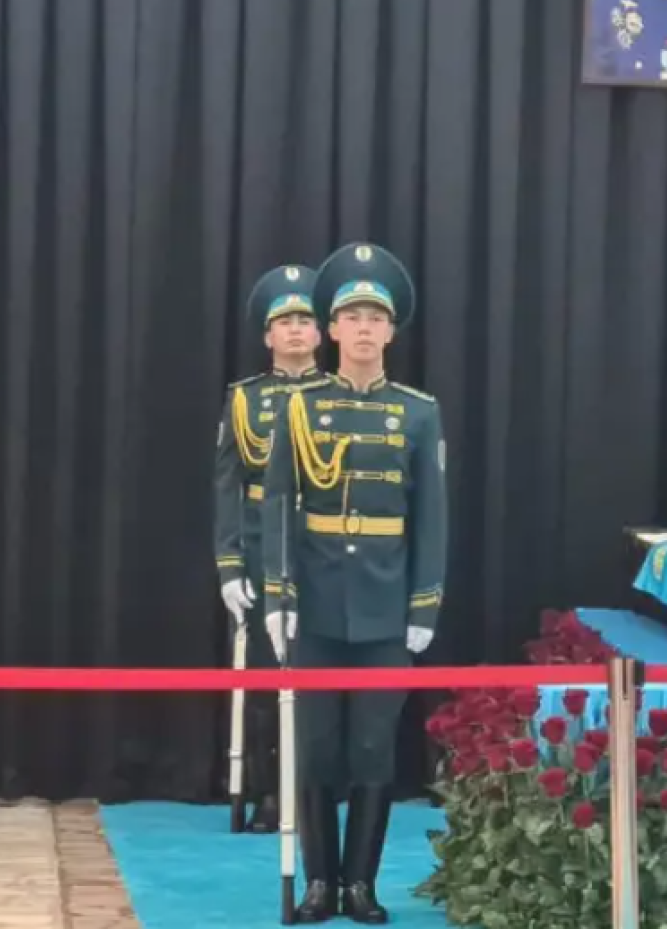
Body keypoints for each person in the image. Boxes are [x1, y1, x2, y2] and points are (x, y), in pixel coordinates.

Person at [262, 242, 448, 925]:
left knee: (373, 751)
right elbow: (278, 506)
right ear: (332, 329)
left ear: (391, 332)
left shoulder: (418, 413)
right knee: (314, 749)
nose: (365, 328)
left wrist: (423, 603)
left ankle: (361, 884)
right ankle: (319, 881)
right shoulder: (300, 408)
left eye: (376, 318)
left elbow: (431, 518)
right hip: (313, 605)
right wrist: (277, 594)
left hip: (385, 607)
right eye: (353, 317)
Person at [211, 264, 322, 833]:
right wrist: (230, 563)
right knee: (265, 676)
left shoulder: (341, 398)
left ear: (321, 332)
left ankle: (312, 788)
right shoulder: (245, 401)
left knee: (319, 672)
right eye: (285, 321)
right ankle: (269, 790)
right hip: (261, 547)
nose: (296, 330)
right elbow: (227, 487)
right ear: (267, 335)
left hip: (324, 547)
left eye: (305, 320)